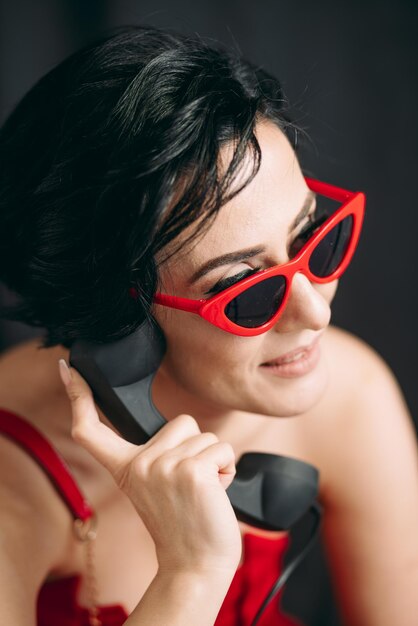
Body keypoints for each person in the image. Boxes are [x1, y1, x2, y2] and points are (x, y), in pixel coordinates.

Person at [0, 25, 417, 626]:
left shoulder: (349, 392)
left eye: (313, 239)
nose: (317, 312)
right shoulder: (14, 490)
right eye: (244, 290)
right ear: (121, 328)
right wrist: (190, 576)